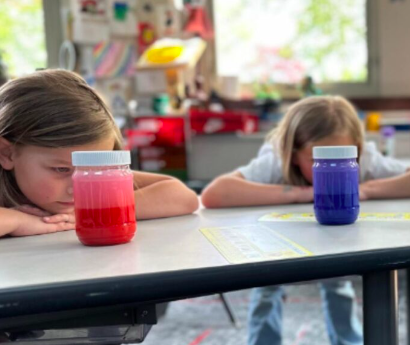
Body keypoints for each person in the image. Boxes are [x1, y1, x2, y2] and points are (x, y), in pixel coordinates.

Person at [201, 95, 410, 345]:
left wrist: (366, 189)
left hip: (336, 237)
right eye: (316, 160)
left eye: (343, 157)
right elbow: (215, 193)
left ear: (356, 148)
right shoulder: (275, 163)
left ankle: (347, 339)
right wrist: (301, 194)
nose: (333, 166)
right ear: (292, 153)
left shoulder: (360, 161)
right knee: (267, 287)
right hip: (277, 240)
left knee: (337, 282)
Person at [0, 69, 198, 238]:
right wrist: (18, 221)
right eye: (61, 169)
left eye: (96, 167)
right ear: (6, 153)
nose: (79, 186)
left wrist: (96, 211)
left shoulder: (93, 178)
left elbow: (183, 197)